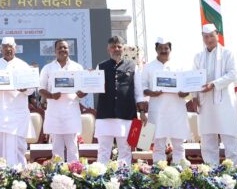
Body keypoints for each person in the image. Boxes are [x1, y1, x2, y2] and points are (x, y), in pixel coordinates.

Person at [191, 23, 237, 165]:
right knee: (207, 140)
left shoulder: (227, 53)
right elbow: (193, 78)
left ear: (217, 35)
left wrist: (213, 84)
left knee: (229, 139)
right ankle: (211, 171)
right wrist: (194, 97)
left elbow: (233, 74)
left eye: (211, 36)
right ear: (202, 38)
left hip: (225, 103)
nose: (209, 39)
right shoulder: (198, 57)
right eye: (206, 37)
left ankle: (233, 171)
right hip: (205, 103)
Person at [0, 36, 35, 165]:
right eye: (5, 47)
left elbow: (31, 89)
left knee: (17, 148)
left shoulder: (23, 66)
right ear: (1, 49)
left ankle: (18, 173)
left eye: (10, 47)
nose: (8, 49)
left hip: (16, 115)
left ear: (15, 49)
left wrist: (25, 89)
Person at [95, 35, 147, 165]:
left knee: (125, 150)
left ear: (123, 49)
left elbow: (138, 92)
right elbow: (94, 87)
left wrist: (142, 112)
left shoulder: (133, 66)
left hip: (126, 114)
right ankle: (101, 176)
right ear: (108, 49)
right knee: (103, 150)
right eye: (113, 47)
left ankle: (124, 175)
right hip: (105, 114)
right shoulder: (100, 66)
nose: (116, 49)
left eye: (119, 46)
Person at [141, 38, 190, 164]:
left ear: (170, 49)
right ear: (156, 49)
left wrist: (184, 93)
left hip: (177, 109)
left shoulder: (180, 66)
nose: (163, 51)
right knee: (158, 144)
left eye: (166, 48)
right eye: (160, 48)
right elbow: (143, 87)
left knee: (179, 144)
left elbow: (187, 87)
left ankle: (180, 168)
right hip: (158, 110)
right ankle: (159, 169)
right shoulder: (148, 67)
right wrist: (152, 93)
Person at [38, 39, 86, 162]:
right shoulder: (48, 68)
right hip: (54, 113)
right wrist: (51, 96)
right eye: (60, 47)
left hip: (71, 112)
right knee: (56, 149)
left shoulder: (77, 67)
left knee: (73, 148)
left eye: (65, 47)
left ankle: (74, 171)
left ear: (69, 50)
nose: (63, 50)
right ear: (55, 51)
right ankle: (58, 172)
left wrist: (82, 93)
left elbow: (84, 89)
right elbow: (41, 89)